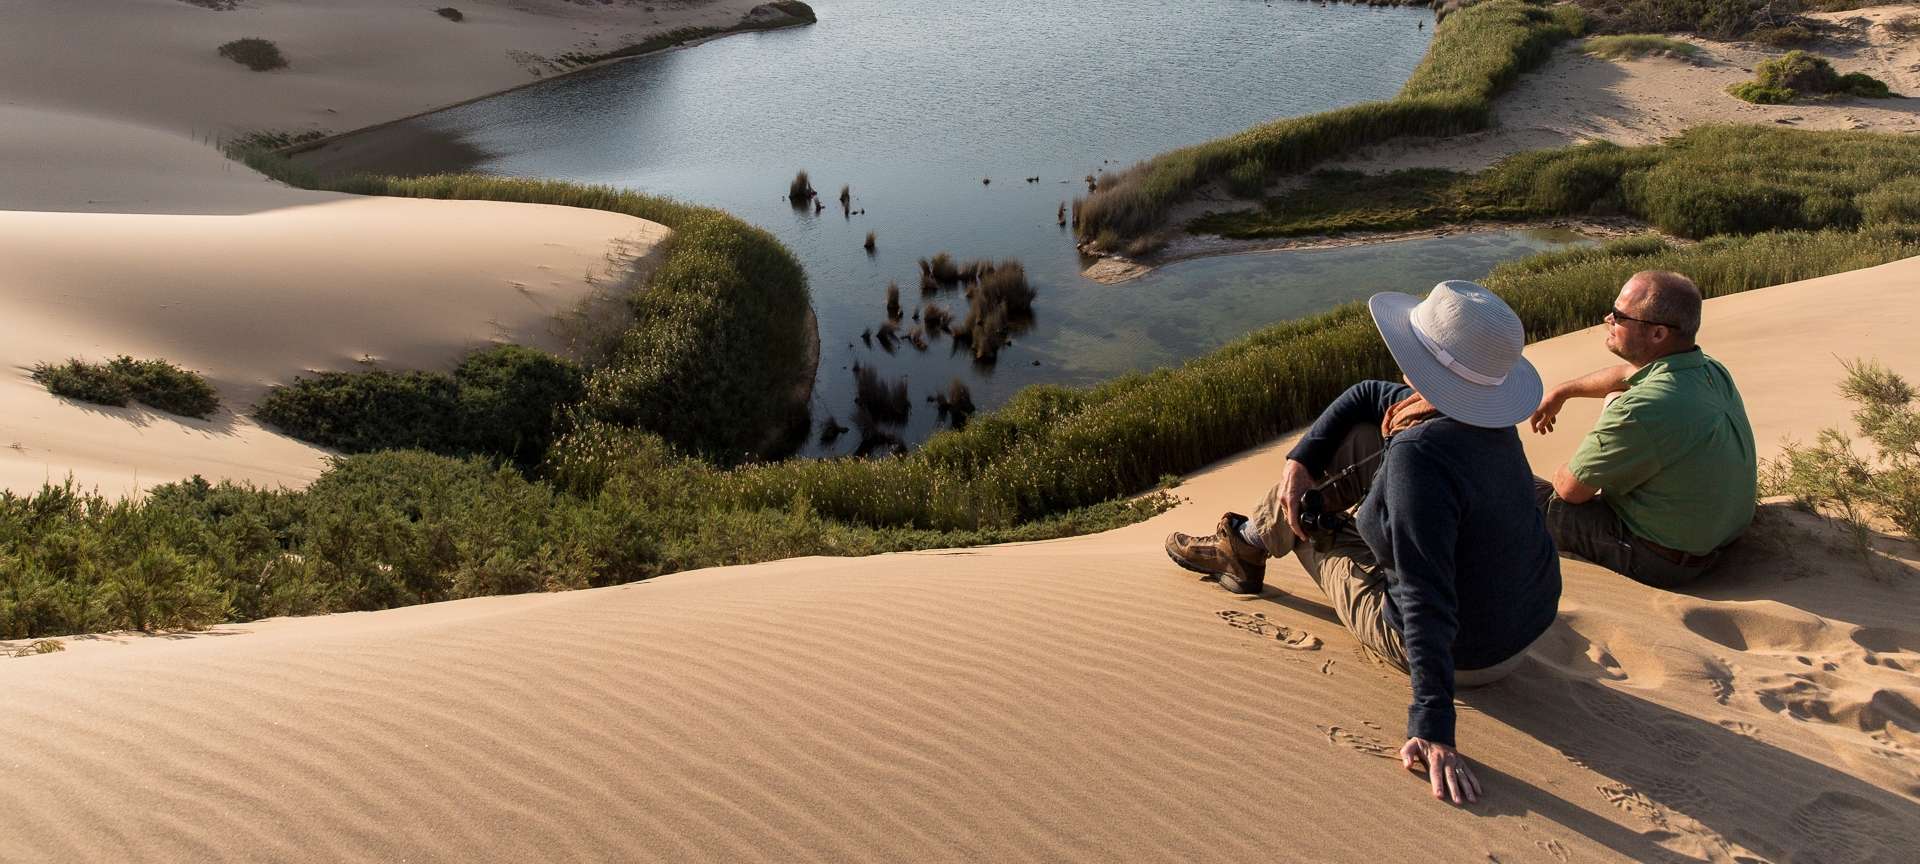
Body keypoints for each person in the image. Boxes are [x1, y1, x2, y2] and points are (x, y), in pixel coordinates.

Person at [1164, 280, 1561, 806]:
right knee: (1354, 442)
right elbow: (1367, 394)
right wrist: (1301, 460)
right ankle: (1248, 541)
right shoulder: (1480, 418)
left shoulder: (1420, 454)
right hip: (1519, 631)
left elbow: (1425, 597)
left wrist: (1433, 724)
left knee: (1302, 516)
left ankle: (1244, 547)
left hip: (1466, 656)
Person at [1530, 271, 1755, 588]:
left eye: (1620, 316)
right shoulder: (1708, 370)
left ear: (1658, 334)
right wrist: (1562, 392)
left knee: (1520, 491)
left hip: (1660, 559)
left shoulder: (1642, 409)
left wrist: (1601, 427)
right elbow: (1627, 374)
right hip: (1712, 538)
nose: (1608, 318)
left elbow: (1571, 491)